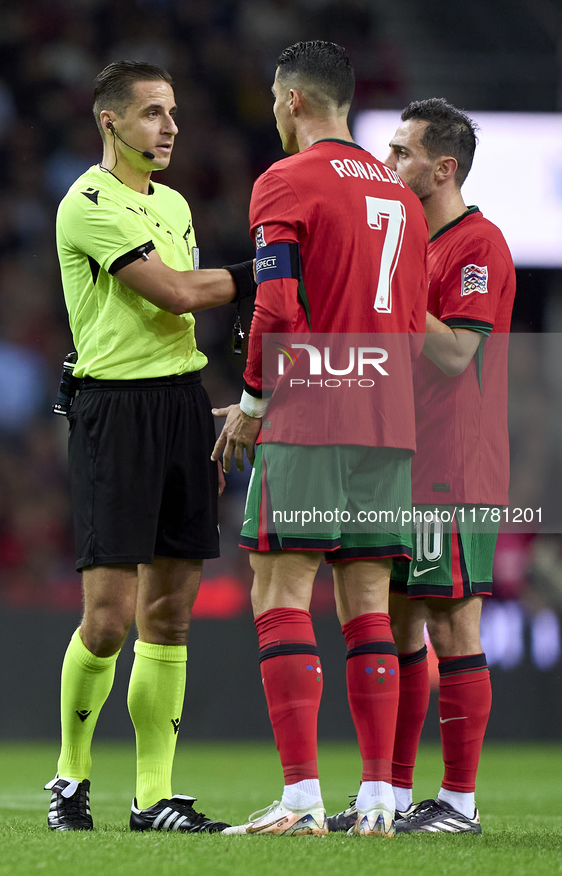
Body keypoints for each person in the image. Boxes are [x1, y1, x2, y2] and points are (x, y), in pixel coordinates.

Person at [212, 41, 428, 837]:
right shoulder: (400, 195)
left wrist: (252, 401)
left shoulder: (286, 179)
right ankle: (377, 797)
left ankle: (301, 798)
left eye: (274, 98)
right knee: (368, 602)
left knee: (279, 588)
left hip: (314, 409)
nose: (273, 111)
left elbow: (275, 309)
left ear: (295, 100)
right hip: (388, 416)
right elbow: (407, 320)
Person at [45, 60, 255, 833]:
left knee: (170, 610)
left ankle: (152, 797)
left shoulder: (171, 202)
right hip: (114, 409)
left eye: (171, 114)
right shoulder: (86, 203)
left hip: (178, 403)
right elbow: (174, 291)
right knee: (108, 617)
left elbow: (189, 312)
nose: (168, 128)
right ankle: (69, 775)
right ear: (110, 121)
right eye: (150, 114)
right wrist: (265, 268)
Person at [328, 99, 516, 834]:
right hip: (399, 461)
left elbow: (454, 353)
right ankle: (396, 796)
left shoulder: (479, 246)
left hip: (454, 466)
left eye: (401, 153)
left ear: (442, 167)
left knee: (450, 625)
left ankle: (459, 803)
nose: (387, 164)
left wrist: (393, 297)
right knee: (402, 623)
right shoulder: (406, 243)